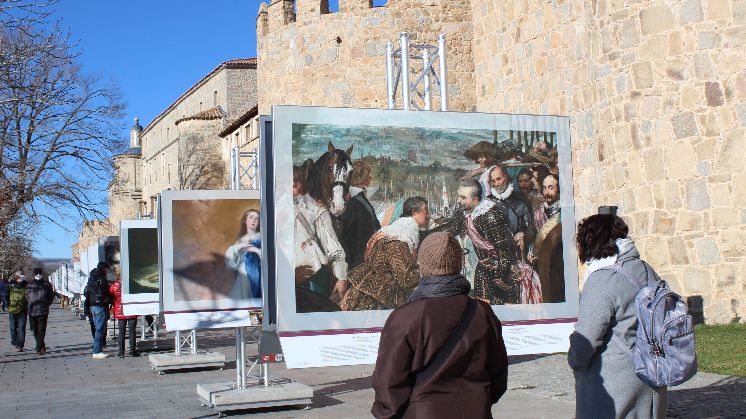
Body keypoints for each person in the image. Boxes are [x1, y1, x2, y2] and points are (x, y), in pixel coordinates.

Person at [372, 232, 508, 418]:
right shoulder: (482, 313)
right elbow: (498, 375)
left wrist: (388, 414)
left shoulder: (405, 317)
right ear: (458, 265)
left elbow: (389, 382)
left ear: (423, 266)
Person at [568, 214, 667, 419]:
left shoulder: (601, 280)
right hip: (650, 373)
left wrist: (575, 360)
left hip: (614, 383)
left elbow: (585, 340)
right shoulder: (646, 270)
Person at [341, 197, 429, 311]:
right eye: (426, 210)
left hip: (375, 295)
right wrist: (428, 268)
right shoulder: (399, 238)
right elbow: (406, 278)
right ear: (414, 212)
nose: (428, 215)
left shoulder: (395, 230)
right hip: (376, 301)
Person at [293, 164, 349, 312]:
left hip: (313, 276)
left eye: (294, 185)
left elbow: (331, 244)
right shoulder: (274, 209)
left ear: (302, 185)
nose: (289, 189)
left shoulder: (315, 209)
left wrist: (341, 277)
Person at [339, 160, 381, 271]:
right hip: (357, 259)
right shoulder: (354, 200)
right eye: (368, 175)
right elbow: (347, 235)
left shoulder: (358, 198)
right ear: (361, 177)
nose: (371, 177)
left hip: (362, 255)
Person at [529, 174, 565, 302]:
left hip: (560, 263)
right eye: (544, 188)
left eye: (551, 188)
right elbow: (534, 234)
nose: (547, 193)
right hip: (543, 264)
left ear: (559, 189)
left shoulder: (564, 211)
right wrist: (531, 249)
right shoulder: (539, 212)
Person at [225, 209, 262, 299]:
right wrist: (240, 246)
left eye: (257, 219)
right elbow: (232, 262)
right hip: (243, 273)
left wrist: (256, 250)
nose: (254, 221)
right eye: (251, 217)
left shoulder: (261, 237)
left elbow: (270, 256)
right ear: (245, 220)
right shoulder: (240, 240)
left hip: (257, 270)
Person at [84, 262, 112, 359]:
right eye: (107, 269)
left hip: (93, 305)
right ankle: (97, 351)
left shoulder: (91, 278)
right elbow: (105, 293)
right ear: (104, 269)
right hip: (100, 306)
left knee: (97, 329)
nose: (108, 272)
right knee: (100, 329)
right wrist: (109, 299)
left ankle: (99, 349)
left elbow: (87, 293)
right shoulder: (102, 278)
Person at [26, 268, 54, 355]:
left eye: (40, 273)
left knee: (41, 329)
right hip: (32, 310)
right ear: (34, 274)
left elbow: (50, 297)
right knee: (33, 329)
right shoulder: (29, 285)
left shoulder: (47, 284)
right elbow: (26, 297)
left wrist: (46, 304)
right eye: (36, 273)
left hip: (42, 310)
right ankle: (42, 344)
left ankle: (38, 348)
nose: (38, 275)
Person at [109, 276, 139, 358]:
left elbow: (110, 295)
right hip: (131, 309)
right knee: (132, 331)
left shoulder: (115, 285)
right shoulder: (133, 283)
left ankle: (121, 352)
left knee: (121, 332)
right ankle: (133, 351)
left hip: (120, 311)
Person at [7, 271, 28, 352]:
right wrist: (7, 304)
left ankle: (20, 345)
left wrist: (27, 306)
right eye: (21, 274)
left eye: (23, 274)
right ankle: (14, 343)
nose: (23, 275)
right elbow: (5, 294)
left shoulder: (27, 284)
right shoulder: (10, 284)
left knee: (21, 328)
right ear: (17, 276)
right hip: (12, 309)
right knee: (12, 328)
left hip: (22, 310)